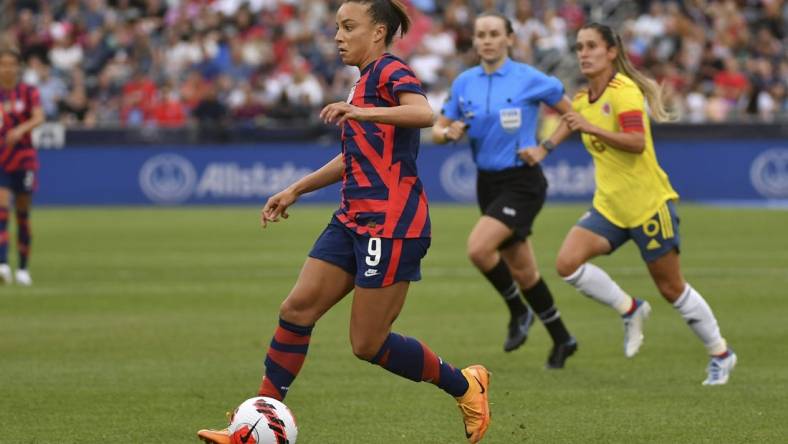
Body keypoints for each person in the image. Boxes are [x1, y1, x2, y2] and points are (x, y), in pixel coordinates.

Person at [197, 2, 491, 443]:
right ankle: (254, 425)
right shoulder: (361, 84)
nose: (338, 36)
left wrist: (365, 112)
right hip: (351, 219)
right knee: (296, 310)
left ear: (378, 33)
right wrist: (297, 188)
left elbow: (424, 114)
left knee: (367, 344)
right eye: (336, 27)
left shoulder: (391, 70)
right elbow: (357, 154)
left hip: (390, 224)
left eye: (348, 27)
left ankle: (466, 386)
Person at [519, 23, 736, 385]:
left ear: (611, 52)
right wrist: (544, 149)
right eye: (579, 47)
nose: (583, 53)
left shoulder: (625, 92)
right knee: (567, 263)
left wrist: (592, 129)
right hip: (610, 207)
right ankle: (630, 308)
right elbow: (571, 122)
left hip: (648, 205)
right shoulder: (583, 97)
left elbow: (635, 141)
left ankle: (721, 353)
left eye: (591, 46)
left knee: (671, 288)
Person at [432, 12, 577, 369]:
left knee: (479, 249)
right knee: (524, 271)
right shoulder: (465, 82)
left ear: (510, 39)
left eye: (494, 34)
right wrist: (446, 133)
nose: (486, 40)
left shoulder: (529, 78)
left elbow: (571, 114)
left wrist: (545, 147)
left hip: (522, 181)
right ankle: (563, 338)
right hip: (488, 183)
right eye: (481, 34)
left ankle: (518, 312)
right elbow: (438, 126)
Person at [0, 46, 44, 286]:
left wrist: (19, 130)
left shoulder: (28, 92)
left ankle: (23, 268)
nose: (7, 68)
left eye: (10, 64)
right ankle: (3, 264)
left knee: (23, 214)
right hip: (1, 158)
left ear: (17, 67)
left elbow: (39, 117)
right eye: (3, 64)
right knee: (1, 209)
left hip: (24, 158)